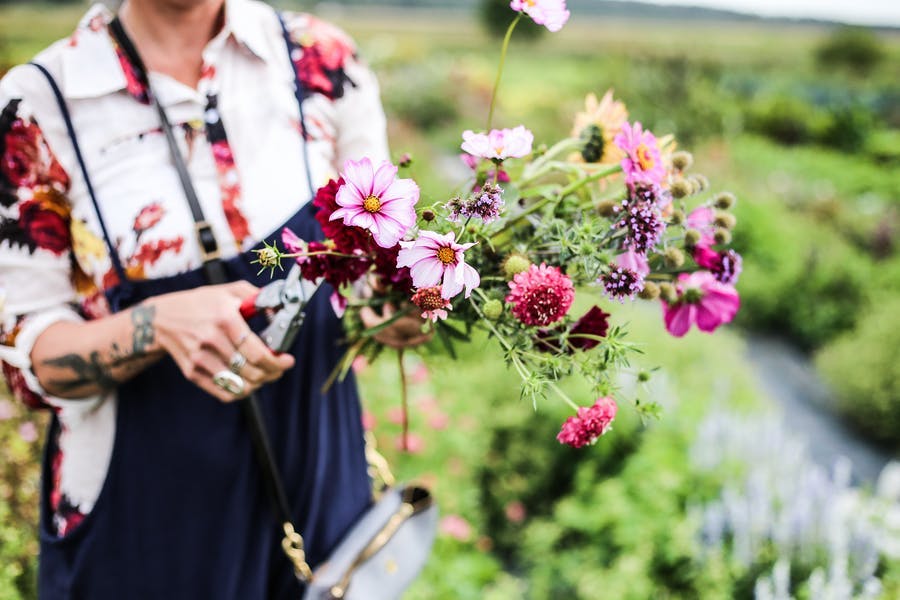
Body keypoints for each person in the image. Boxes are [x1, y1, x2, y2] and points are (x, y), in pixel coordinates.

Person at [0, 0, 424, 597]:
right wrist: (154, 325)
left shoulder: (320, 61)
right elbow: (30, 363)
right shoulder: (38, 105)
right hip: (148, 526)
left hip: (323, 488)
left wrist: (398, 308)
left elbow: (380, 259)